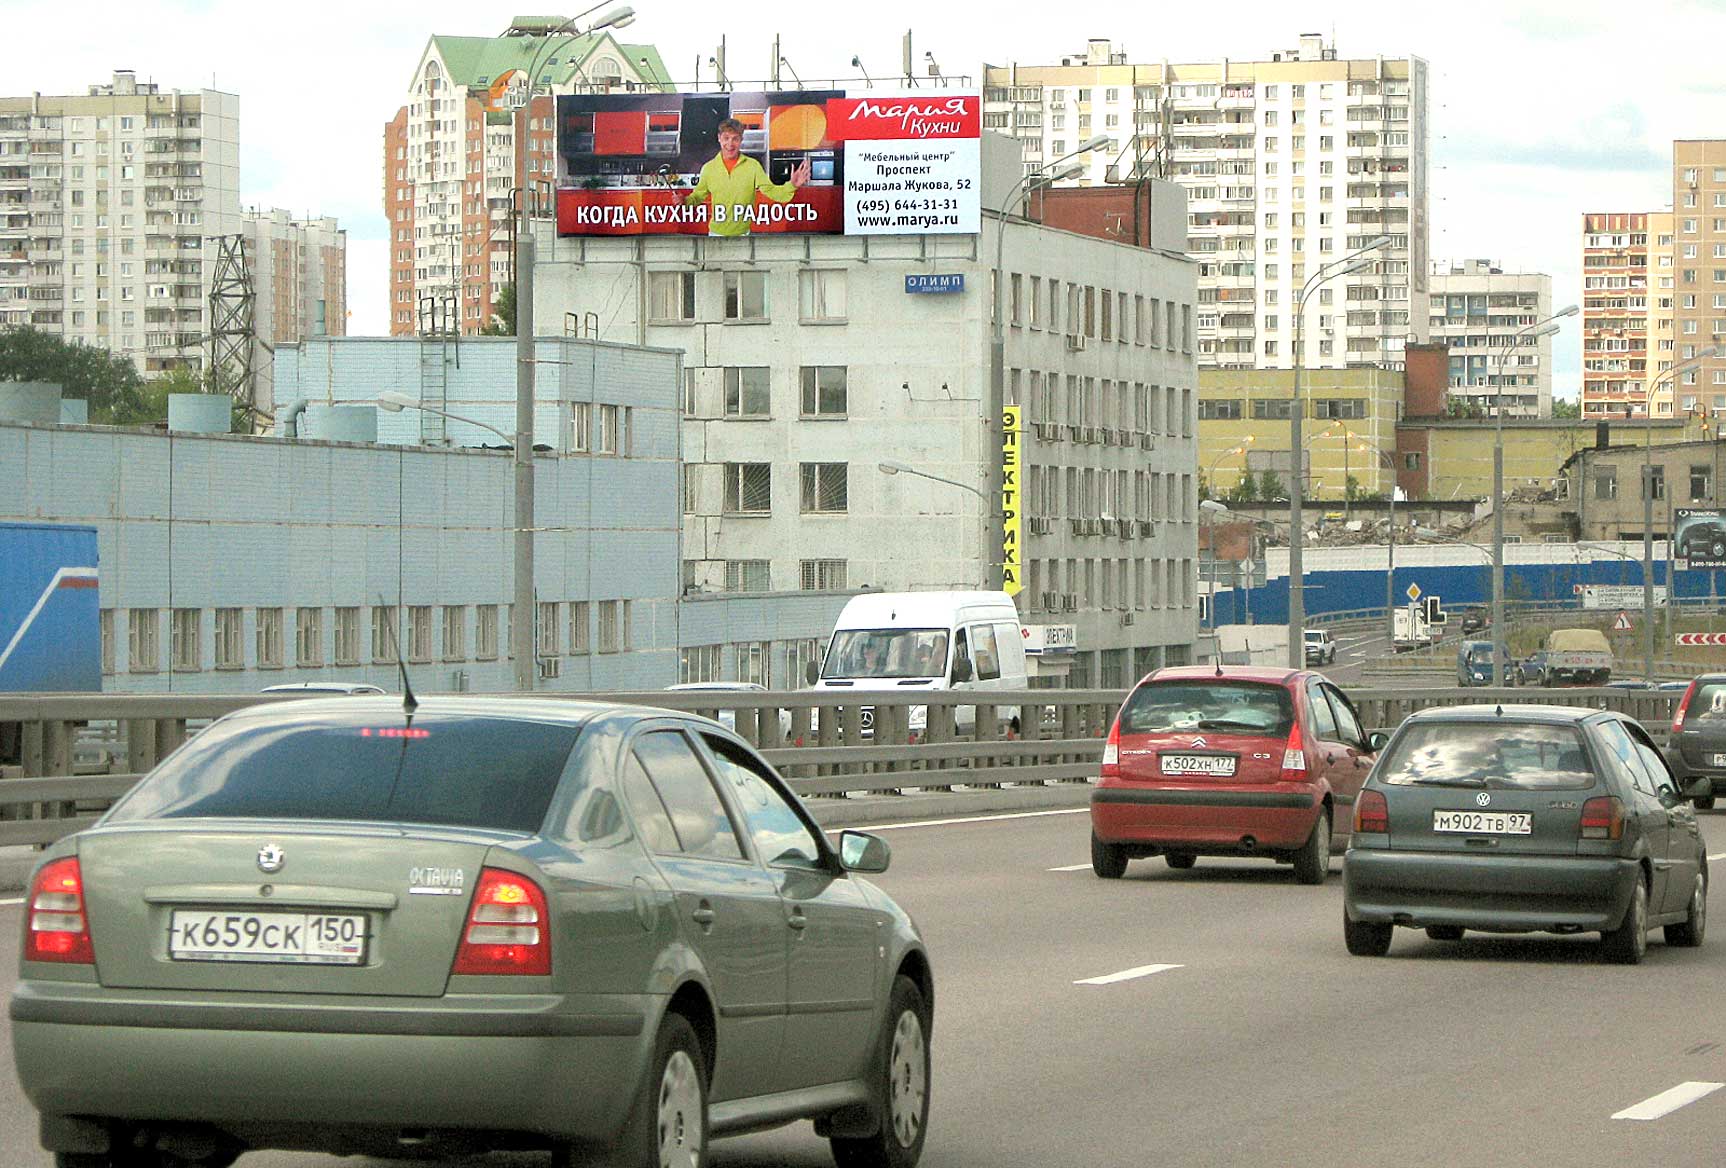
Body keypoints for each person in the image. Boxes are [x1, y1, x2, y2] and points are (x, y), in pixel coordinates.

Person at [685, 117, 810, 238]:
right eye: (726, 138)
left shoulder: (753, 166)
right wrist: (684, 200)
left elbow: (772, 192)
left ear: (741, 140)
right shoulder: (709, 168)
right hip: (715, 234)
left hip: (743, 235)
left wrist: (792, 185)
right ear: (719, 139)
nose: (730, 143)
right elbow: (697, 196)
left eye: (735, 139)